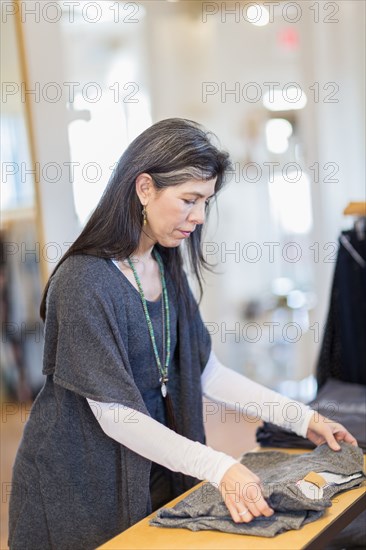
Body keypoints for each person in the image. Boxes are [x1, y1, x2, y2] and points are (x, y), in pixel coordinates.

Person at [8, 118, 357, 550]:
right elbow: (116, 415)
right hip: (77, 486)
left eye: (206, 202)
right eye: (189, 200)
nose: (198, 217)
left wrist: (302, 418)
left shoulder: (164, 265)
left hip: (152, 464)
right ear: (144, 188)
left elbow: (207, 373)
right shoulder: (83, 283)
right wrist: (220, 467)